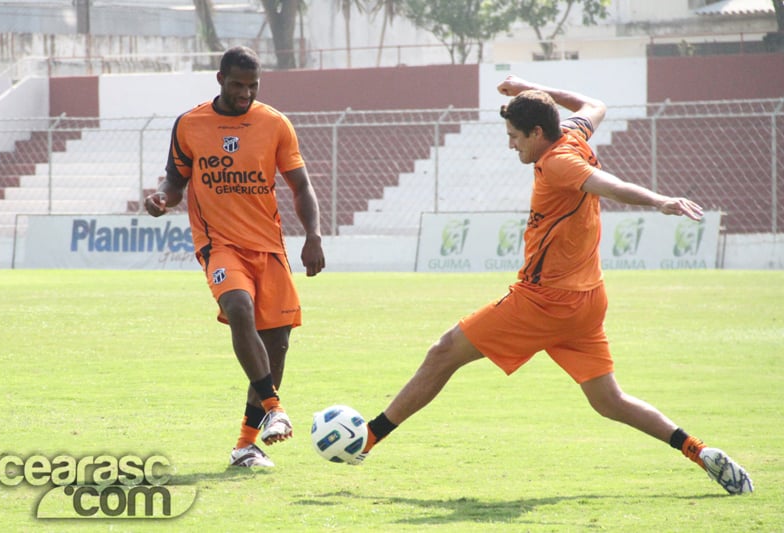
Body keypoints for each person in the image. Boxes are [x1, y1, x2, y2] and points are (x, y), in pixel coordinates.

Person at [359, 75, 753, 495]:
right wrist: (530, 87)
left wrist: (660, 201)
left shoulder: (559, 162)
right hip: (587, 300)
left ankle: (367, 437)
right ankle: (699, 450)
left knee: (444, 351)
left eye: (515, 137)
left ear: (537, 133)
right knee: (609, 401)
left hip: (544, 301)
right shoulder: (571, 132)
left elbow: (611, 186)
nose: (511, 145)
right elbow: (594, 104)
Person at [145, 46, 325, 468]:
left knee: (277, 343)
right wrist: (162, 201)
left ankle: (246, 444)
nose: (245, 93)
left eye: (252, 85)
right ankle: (275, 408)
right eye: (237, 84)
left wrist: (313, 235)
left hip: (269, 246)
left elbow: (301, 186)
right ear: (220, 79)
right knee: (239, 307)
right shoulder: (190, 124)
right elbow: (175, 182)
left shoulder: (274, 123)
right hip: (218, 244)